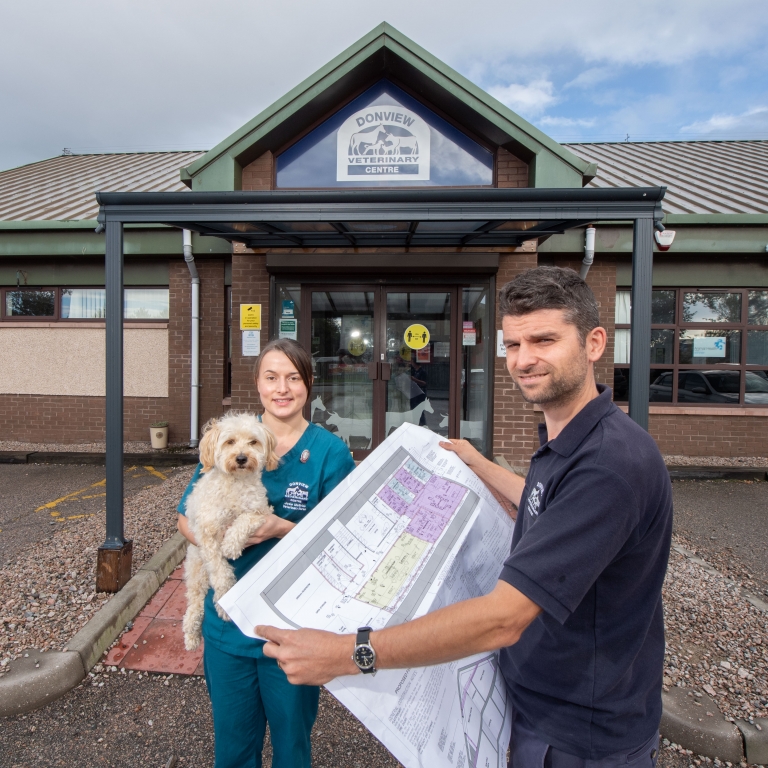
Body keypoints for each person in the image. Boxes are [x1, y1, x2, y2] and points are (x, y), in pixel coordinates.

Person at [256, 267, 673, 767]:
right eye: (513, 344)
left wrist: (349, 652)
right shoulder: (571, 439)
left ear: (594, 343)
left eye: (544, 340)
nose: (524, 359)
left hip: (580, 734)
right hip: (542, 702)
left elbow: (502, 619)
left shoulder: (609, 464)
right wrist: (478, 464)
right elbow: (550, 503)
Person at [177, 338, 355, 768]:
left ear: (308, 385)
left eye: (293, 378)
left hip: (294, 627)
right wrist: (216, 542)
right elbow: (186, 518)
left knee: (292, 748)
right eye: (271, 377)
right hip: (228, 625)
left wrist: (282, 529)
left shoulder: (330, 452)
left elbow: (346, 542)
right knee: (234, 750)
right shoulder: (228, 439)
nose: (282, 388)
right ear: (257, 384)